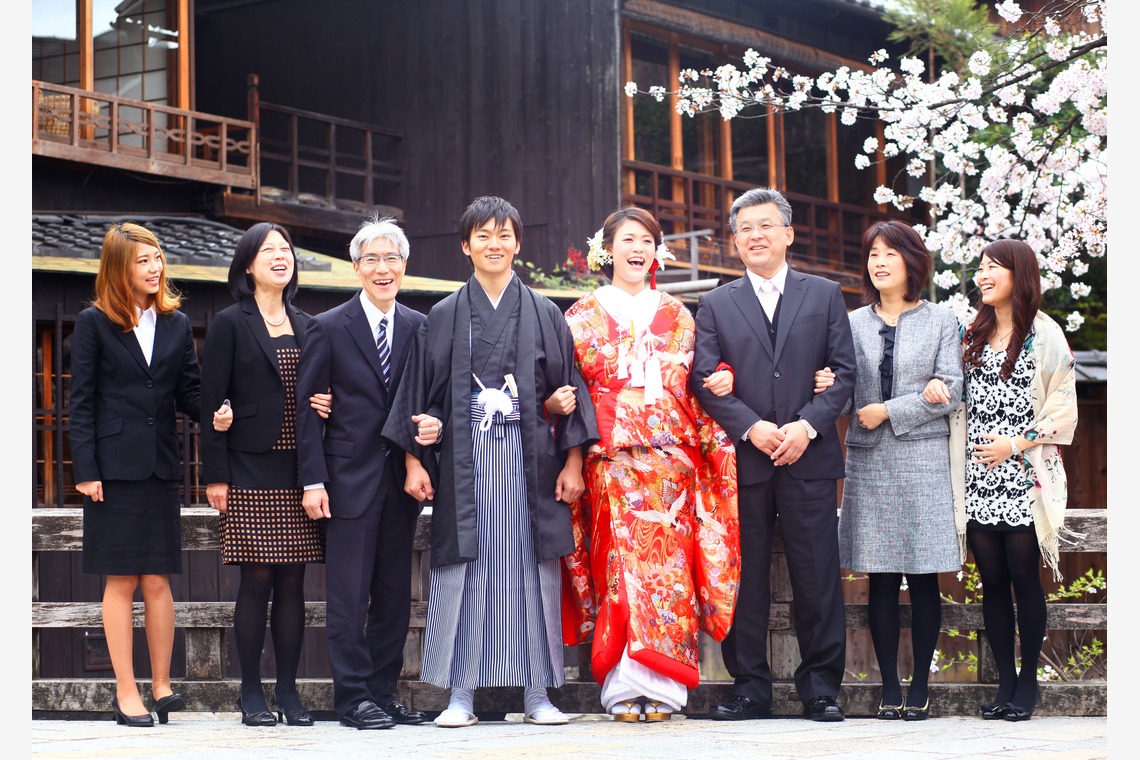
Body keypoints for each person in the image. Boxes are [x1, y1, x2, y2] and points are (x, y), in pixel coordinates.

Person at [383, 195, 599, 728]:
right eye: (483, 235)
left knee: (533, 576)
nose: (494, 244)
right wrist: (415, 461)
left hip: (532, 464)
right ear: (466, 246)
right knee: (466, 575)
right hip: (464, 462)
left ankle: (537, 695)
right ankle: (460, 695)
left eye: (504, 235)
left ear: (517, 244)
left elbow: (569, 392)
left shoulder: (546, 313)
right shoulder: (446, 314)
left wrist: (573, 463)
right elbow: (421, 397)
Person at [559, 207, 740, 722]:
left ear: (655, 252)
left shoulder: (682, 314)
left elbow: (700, 377)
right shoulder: (579, 316)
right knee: (618, 570)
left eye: (647, 240)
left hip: (671, 461)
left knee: (668, 572)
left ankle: (664, 688)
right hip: (610, 459)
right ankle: (622, 689)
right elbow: (569, 389)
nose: (637, 248)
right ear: (607, 250)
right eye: (627, 240)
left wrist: (721, 376)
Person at [688, 187, 856, 722]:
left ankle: (821, 689)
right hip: (746, 461)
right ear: (735, 241)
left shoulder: (825, 294)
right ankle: (749, 688)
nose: (755, 235)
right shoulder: (715, 303)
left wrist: (807, 426)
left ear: (787, 233)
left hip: (809, 457)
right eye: (745, 229)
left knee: (817, 576)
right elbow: (702, 378)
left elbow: (844, 372)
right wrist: (752, 427)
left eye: (766, 226)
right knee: (746, 577)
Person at [69, 222, 231, 727]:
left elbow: (188, 392)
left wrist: (216, 412)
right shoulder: (93, 323)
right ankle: (125, 692)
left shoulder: (177, 324)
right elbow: (80, 404)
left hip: (161, 466)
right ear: (120, 267)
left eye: (157, 258)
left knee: (158, 579)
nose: (154, 267)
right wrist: (86, 471)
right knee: (121, 581)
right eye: (142, 261)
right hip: (112, 472)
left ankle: (162, 686)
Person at [815, 220, 963, 721]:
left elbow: (952, 391)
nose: (879, 262)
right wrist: (827, 383)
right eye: (872, 254)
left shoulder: (942, 321)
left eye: (890, 254)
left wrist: (891, 410)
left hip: (922, 458)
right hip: (869, 458)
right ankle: (889, 688)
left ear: (911, 263)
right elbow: (842, 389)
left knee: (923, 577)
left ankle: (920, 687)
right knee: (877, 577)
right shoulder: (851, 322)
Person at [294, 214, 428, 730]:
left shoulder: (421, 326)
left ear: (404, 266)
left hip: (402, 482)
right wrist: (313, 480)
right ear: (356, 268)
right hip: (346, 481)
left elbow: (427, 400)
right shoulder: (327, 326)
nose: (382, 268)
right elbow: (309, 410)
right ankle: (351, 699)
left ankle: (382, 692)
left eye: (390, 258)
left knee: (394, 596)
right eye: (370, 259)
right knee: (348, 596)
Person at [943, 239, 1077, 722]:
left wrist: (1014, 444)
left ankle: (1028, 682)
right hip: (976, 478)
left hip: (1023, 477)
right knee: (992, 583)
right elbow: (952, 393)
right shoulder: (969, 335)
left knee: (1025, 579)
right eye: (980, 267)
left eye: (993, 267)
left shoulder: (1045, 335)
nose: (982, 275)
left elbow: (1063, 410)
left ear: (1019, 275)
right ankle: (1003, 681)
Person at [200, 222, 325, 727]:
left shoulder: (309, 324)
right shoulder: (230, 322)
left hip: (299, 467)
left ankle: (289, 692)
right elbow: (212, 403)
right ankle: (251, 690)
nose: (281, 256)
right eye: (268, 250)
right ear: (248, 264)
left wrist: (328, 403)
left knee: (294, 581)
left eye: (286, 249)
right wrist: (216, 475)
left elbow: (318, 391)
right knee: (255, 580)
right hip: (249, 467)